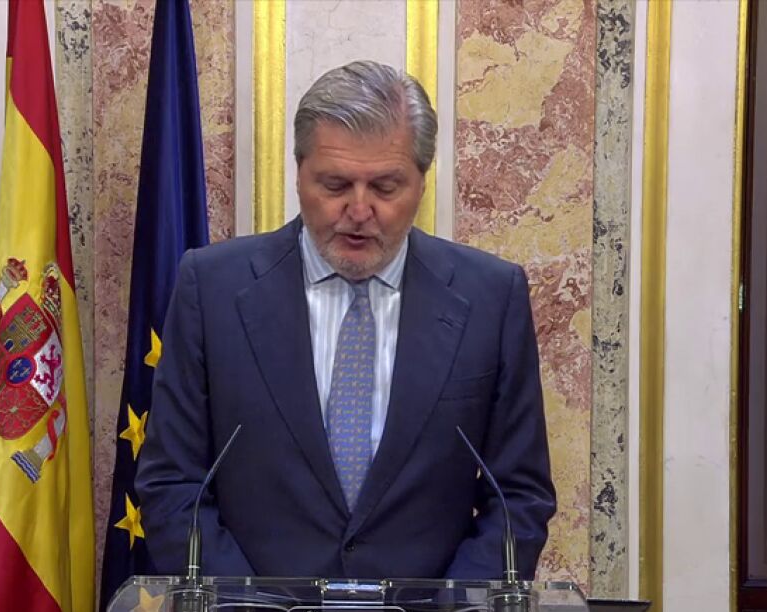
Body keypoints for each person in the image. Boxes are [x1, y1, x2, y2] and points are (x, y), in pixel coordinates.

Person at [135, 60, 555, 585]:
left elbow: (518, 494)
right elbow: (172, 483)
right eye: (335, 184)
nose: (359, 210)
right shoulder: (212, 289)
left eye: (385, 187)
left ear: (422, 182)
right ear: (299, 174)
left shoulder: (490, 297)